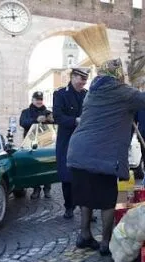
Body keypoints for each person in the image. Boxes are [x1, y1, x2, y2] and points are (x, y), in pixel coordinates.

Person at [66, 58, 145, 255]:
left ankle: (84, 235)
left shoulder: (93, 92)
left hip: (79, 151)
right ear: (118, 76)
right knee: (107, 200)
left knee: (87, 196)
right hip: (102, 155)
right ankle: (105, 242)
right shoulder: (122, 92)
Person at [53, 68, 89, 219]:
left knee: (85, 176)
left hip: (84, 141)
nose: (83, 82)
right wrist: (75, 120)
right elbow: (57, 116)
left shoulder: (87, 94)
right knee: (67, 176)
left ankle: (86, 209)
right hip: (66, 141)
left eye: (85, 80)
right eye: (81, 79)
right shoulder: (60, 94)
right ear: (73, 77)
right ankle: (69, 207)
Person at [19, 91, 54, 199]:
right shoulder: (26, 112)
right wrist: (35, 120)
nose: (39, 101)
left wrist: (51, 120)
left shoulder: (48, 112)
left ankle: (47, 189)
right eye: (37, 99)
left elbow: (55, 124)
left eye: (40, 99)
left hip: (46, 141)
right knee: (35, 166)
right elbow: (23, 123)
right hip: (31, 142)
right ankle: (36, 189)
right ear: (32, 100)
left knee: (47, 165)